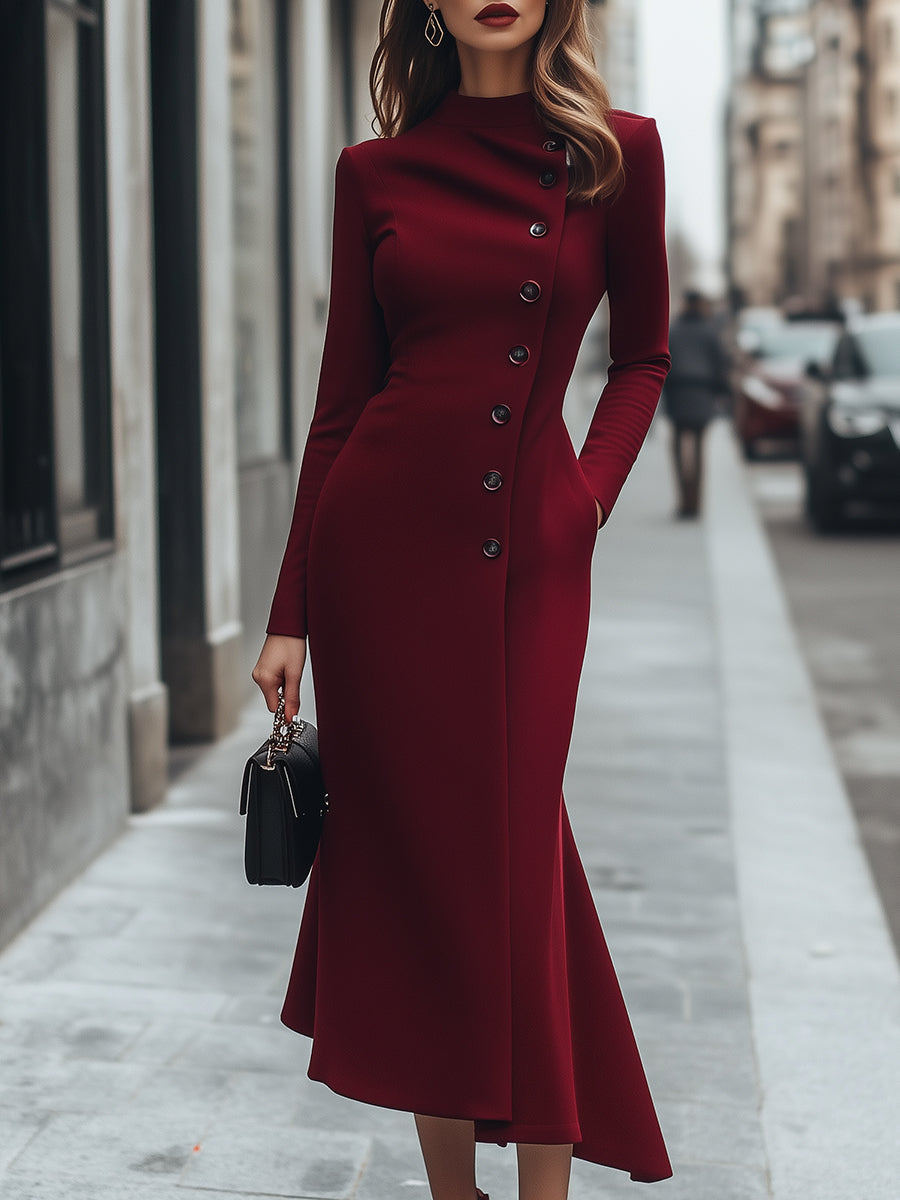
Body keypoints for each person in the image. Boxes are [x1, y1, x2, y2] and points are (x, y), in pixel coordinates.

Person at [252, 3, 672, 1197]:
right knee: (420, 872)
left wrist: (585, 498)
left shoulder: (616, 152)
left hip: (532, 560)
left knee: (519, 858)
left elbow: (643, 355)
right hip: (381, 565)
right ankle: (453, 1191)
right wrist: (290, 611)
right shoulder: (373, 172)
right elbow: (342, 404)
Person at [662, 289, 732, 518]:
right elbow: (721, 363)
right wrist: (723, 392)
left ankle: (683, 499)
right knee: (700, 449)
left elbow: (663, 359)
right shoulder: (709, 331)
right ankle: (696, 501)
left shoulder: (674, 329)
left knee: (677, 447)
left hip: (678, 392)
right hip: (702, 392)